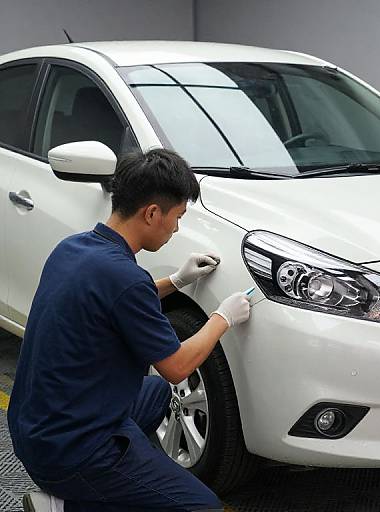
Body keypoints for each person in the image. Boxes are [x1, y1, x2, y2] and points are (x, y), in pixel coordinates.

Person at [8, 149, 251, 512]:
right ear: (152, 213)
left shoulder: (73, 249)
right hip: (70, 453)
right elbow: (178, 366)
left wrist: (177, 280)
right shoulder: (125, 278)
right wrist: (222, 318)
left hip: (36, 429)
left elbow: (114, 298)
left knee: (153, 392)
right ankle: (66, 505)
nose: (176, 229)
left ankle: (125, 481)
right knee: (203, 506)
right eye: (177, 217)